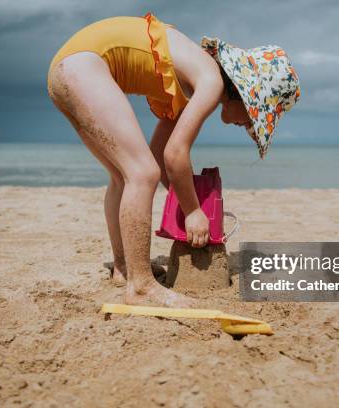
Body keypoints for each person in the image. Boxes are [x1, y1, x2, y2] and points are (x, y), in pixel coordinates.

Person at [47, 13, 300, 307]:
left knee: (124, 175)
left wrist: (187, 201)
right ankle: (140, 286)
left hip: (65, 68)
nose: (248, 126)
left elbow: (160, 152)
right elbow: (175, 154)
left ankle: (124, 267)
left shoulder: (186, 82)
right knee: (141, 174)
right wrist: (192, 211)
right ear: (246, 94)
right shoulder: (210, 81)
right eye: (253, 119)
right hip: (84, 67)